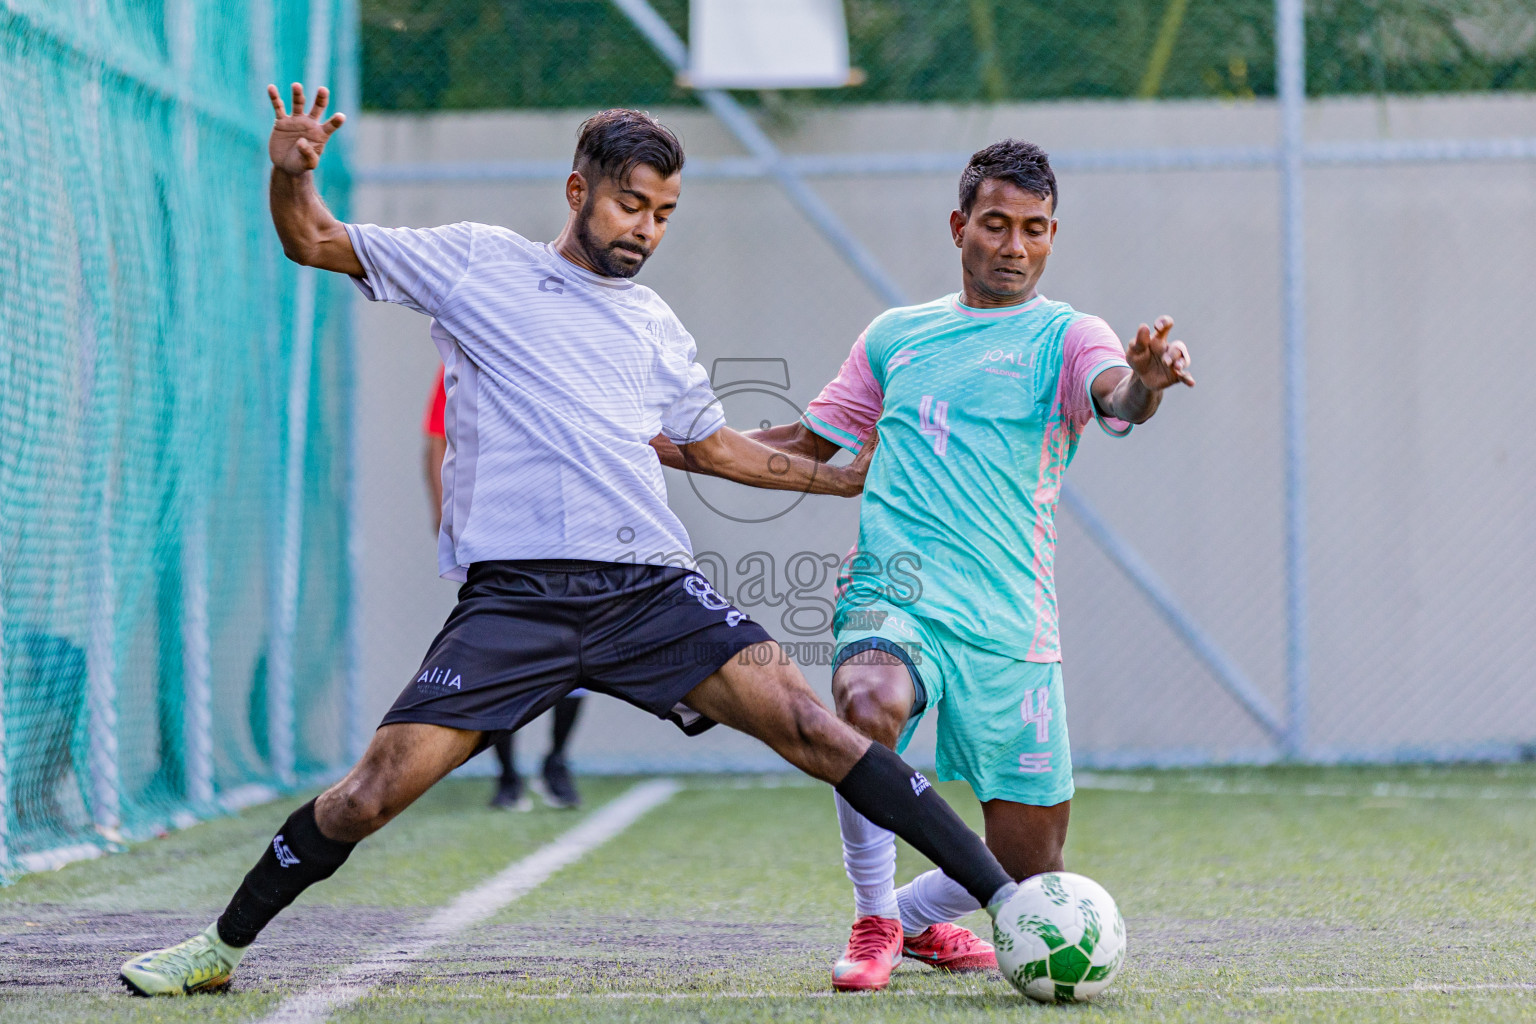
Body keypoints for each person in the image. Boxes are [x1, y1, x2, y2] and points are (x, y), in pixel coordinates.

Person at [118, 83, 1025, 996]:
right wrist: (291, 176)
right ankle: (218, 949)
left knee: (811, 725)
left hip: (648, 591)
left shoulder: (655, 324)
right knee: (367, 796)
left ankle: (1011, 910)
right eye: (631, 204)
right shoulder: (478, 264)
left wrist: (842, 476)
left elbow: (714, 449)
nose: (646, 229)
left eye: (664, 213)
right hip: (514, 602)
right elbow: (311, 238)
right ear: (576, 190)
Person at [655, 139, 1194, 991]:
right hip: (894, 597)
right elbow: (805, 441)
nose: (1014, 245)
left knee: (1027, 874)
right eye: (996, 224)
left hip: (1011, 625)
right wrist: (674, 449)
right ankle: (872, 920)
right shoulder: (897, 338)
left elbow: (1117, 396)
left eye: (1034, 229)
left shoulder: (1069, 337)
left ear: (1052, 237)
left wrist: (1149, 382)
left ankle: (910, 921)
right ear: (959, 227)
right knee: (866, 701)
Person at [424, 366, 584, 810]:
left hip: (563, 530)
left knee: (573, 640)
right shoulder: (466, 358)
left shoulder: (564, 354)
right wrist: (443, 514)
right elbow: (437, 439)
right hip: (495, 532)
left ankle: (556, 763)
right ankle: (508, 775)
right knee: (496, 648)